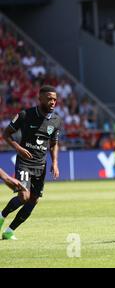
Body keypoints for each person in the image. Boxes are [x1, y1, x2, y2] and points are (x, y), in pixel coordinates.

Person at [0, 85, 62, 240]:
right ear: (40, 98)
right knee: (24, 196)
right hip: (25, 163)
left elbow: (53, 144)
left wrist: (55, 163)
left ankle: (9, 231)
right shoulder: (24, 115)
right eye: (49, 99)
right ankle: (2, 215)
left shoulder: (56, 120)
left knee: (34, 200)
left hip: (41, 166)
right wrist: (18, 148)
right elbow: (6, 134)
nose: (53, 102)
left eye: (54, 99)